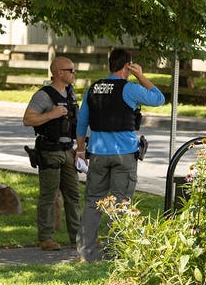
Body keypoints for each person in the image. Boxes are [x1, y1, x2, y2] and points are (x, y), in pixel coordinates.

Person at [75, 48, 165, 261]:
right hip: (124, 154)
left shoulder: (93, 89)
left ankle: (85, 254)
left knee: (92, 202)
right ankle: (115, 253)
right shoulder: (129, 89)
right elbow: (158, 98)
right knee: (121, 203)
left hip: (96, 153)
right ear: (127, 66)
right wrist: (141, 76)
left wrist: (80, 150)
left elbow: (81, 122)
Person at [22, 56, 81, 251]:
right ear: (58, 73)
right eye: (70, 70)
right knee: (48, 196)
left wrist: (81, 149)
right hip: (49, 151)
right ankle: (46, 238)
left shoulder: (70, 94)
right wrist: (50, 114)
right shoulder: (44, 95)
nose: (74, 73)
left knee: (73, 195)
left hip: (68, 151)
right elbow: (28, 119)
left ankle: (77, 238)